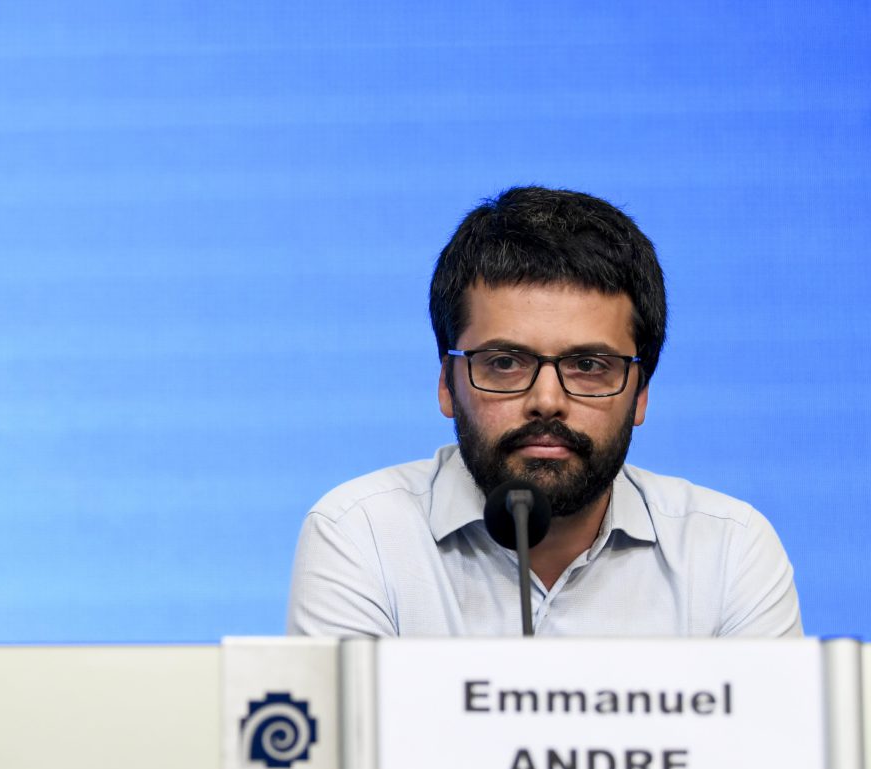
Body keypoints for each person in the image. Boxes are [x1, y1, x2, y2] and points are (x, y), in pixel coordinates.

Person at [287, 186, 800, 637]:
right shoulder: (363, 534)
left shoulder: (728, 550)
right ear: (447, 383)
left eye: (589, 365)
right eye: (505, 362)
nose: (547, 401)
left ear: (640, 393)